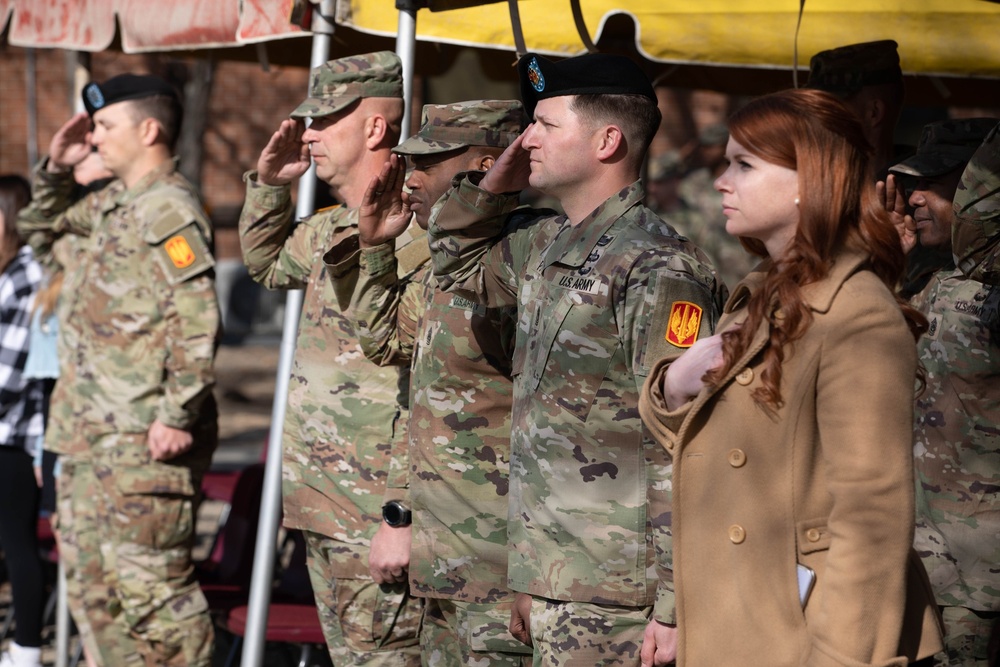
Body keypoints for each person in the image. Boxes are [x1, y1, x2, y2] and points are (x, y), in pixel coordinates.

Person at [426, 53, 726, 665]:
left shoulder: (657, 266)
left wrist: (676, 603)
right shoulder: (547, 243)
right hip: (556, 576)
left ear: (607, 140)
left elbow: (686, 437)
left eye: (545, 125)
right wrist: (491, 189)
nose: (526, 138)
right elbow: (454, 264)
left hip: (621, 594)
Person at [637, 87, 944, 666]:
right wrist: (676, 383)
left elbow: (872, 517)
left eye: (744, 166)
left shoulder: (857, 312)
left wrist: (841, 659)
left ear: (810, 178)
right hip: (748, 615)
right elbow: (709, 438)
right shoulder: (764, 291)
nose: (721, 182)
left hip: (815, 635)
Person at [16, 74, 220, 666]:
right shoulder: (113, 204)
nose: (94, 137)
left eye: (104, 126)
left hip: (141, 445)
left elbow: (198, 320)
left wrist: (176, 413)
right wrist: (56, 168)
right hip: (87, 442)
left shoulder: (168, 209)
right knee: (95, 600)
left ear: (149, 130)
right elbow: (36, 231)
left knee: (155, 600)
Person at [238, 50, 423, 665]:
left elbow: (439, 389)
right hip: (324, 503)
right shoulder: (331, 226)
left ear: (375, 127)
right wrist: (270, 185)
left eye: (327, 119)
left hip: (377, 510)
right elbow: (265, 265)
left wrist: (402, 511)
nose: (309, 133)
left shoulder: (420, 231)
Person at [332, 99, 532, 665]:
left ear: (489, 165)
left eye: (431, 162)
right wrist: (375, 248)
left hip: (502, 557)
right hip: (444, 550)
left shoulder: (527, 257)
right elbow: (389, 348)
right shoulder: (446, 263)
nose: (410, 179)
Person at [903, 122, 1000, 666]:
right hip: (911, 555)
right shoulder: (925, 278)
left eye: (935, 183)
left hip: (976, 577)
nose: (915, 197)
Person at [0, 175, 45, 667]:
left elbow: (7, 376)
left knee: (17, 545)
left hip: (14, 436)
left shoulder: (25, 275)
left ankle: (27, 650)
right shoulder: (7, 271)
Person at [881, 118, 997, 297]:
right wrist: (888, 262)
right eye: (917, 183)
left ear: (978, 187)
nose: (913, 199)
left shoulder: (993, 277)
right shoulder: (924, 276)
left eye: (931, 182)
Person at [806, 39, 906, 177]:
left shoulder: (921, 191)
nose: (817, 120)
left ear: (874, 113)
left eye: (831, 110)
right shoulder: (813, 181)